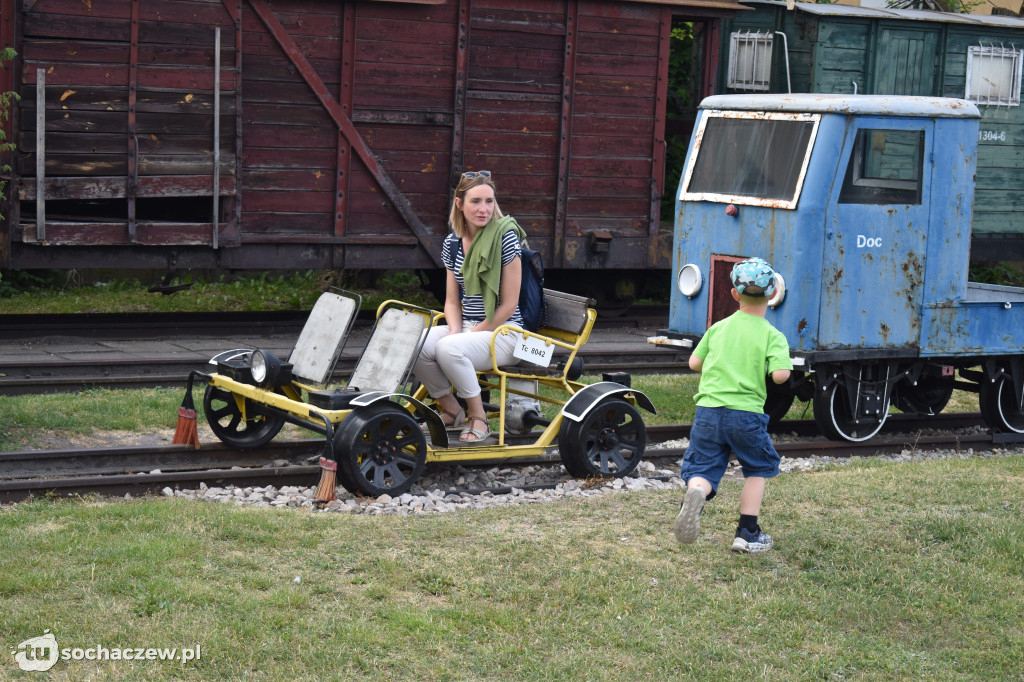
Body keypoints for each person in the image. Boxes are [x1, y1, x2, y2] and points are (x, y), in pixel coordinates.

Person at [673, 257, 793, 553]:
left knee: (704, 465)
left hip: (708, 412)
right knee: (758, 467)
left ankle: (697, 491)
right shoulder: (772, 335)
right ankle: (747, 533)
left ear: (735, 294)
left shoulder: (718, 328)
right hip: (746, 415)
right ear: (773, 294)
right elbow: (780, 376)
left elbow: (693, 363)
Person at [413, 170, 525, 443]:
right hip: (469, 327)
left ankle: (479, 417)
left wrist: (466, 336)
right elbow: (452, 300)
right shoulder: (452, 243)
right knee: (415, 345)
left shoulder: (505, 237)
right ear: (459, 203)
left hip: (506, 332)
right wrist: (454, 330)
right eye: (476, 201)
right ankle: (452, 411)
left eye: (489, 201)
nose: (484, 209)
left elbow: (509, 305)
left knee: (448, 348)